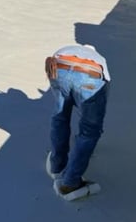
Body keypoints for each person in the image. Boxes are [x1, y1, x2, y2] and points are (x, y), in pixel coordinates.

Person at [44, 44, 110, 201]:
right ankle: (71, 182)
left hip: (58, 66)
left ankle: (57, 164)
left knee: (60, 116)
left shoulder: (69, 49)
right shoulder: (100, 61)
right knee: (90, 130)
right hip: (91, 75)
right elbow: (101, 90)